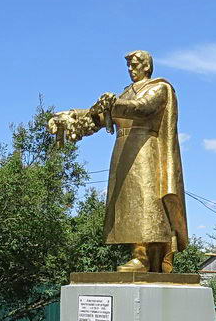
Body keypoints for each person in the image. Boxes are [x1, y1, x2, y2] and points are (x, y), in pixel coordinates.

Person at [49, 50, 188, 273]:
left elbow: (143, 108)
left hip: (146, 148)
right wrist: (72, 116)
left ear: (146, 66)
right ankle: (139, 254)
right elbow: (101, 116)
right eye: (129, 66)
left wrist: (113, 104)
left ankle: (144, 257)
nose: (131, 69)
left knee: (146, 200)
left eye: (134, 65)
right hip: (123, 150)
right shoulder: (124, 94)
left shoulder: (159, 88)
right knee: (127, 202)